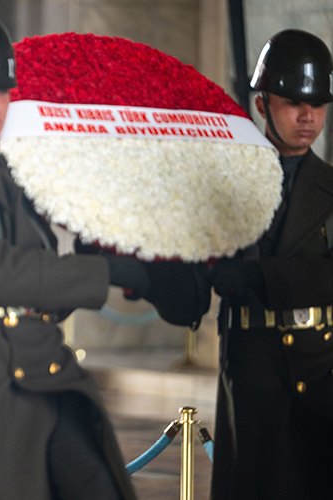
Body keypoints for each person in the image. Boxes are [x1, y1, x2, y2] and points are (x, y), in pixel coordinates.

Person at [0, 11, 209, 500]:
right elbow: (2, 273)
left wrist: (139, 259)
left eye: (1, 91)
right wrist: (112, 271)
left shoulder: (27, 181)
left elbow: (52, 266)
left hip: (44, 365)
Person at [210, 29, 333, 499]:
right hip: (249, 363)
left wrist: (257, 276)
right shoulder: (227, 181)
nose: (308, 116)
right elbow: (197, 266)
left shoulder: (331, 187)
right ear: (262, 105)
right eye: (294, 103)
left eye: (318, 105)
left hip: (317, 365)